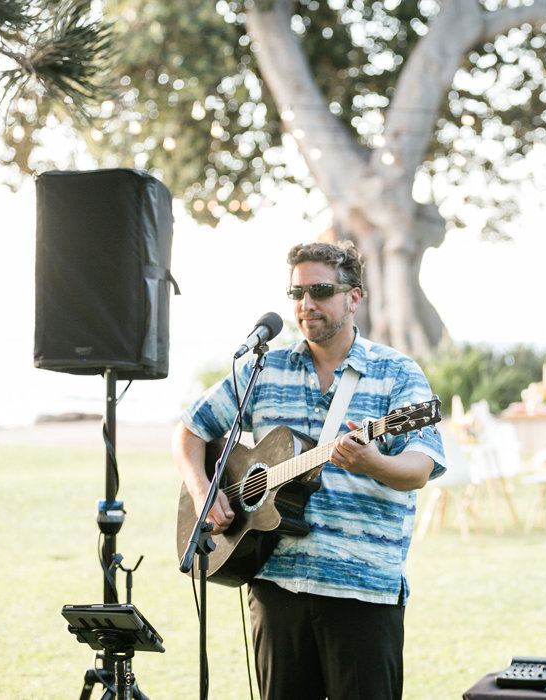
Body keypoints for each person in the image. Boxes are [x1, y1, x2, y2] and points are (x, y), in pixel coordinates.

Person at [172, 240, 445, 700]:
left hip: (362, 589)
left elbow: (421, 467)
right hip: (275, 584)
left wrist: (372, 462)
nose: (306, 304)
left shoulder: (396, 373)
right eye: (297, 293)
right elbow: (190, 430)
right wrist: (203, 491)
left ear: (353, 297)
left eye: (320, 290)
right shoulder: (264, 369)